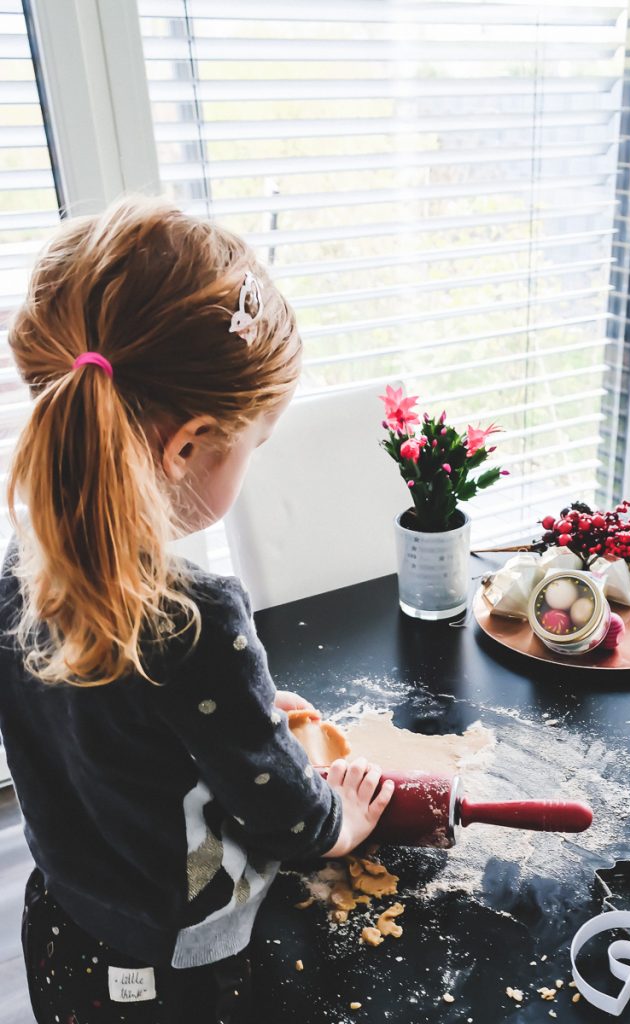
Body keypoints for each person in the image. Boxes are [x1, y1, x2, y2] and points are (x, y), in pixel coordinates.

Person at [0, 195, 394, 1024]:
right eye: (254, 443)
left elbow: (104, 735)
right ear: (187, 446)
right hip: (182, 963)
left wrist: (237, 716)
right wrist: (339, 821)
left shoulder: (16, 569)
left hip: (70, 917)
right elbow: (277, 810)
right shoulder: (195, 621)